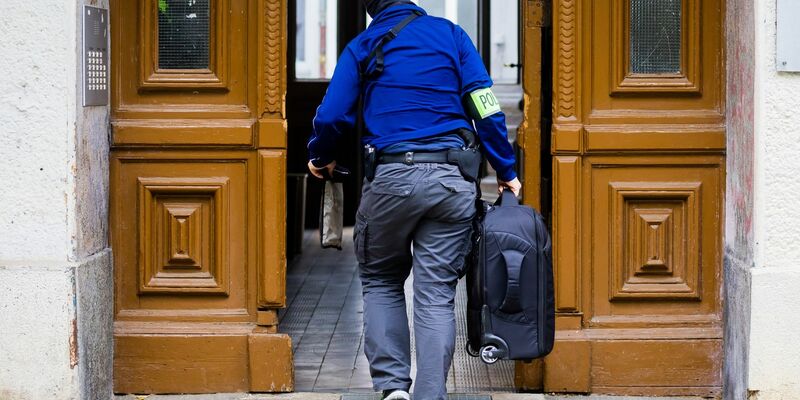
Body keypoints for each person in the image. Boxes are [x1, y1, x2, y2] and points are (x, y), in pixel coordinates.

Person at [306, 1, 521, 399]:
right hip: (451, 180)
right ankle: (430, 393)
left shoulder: (363, 45)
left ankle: (393, 390)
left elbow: (332, 114)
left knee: (381, 280)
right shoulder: (451, 35)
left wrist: (321, 156)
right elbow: (484, 105)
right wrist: (505, 169)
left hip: (390, 180)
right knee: (436, 292)